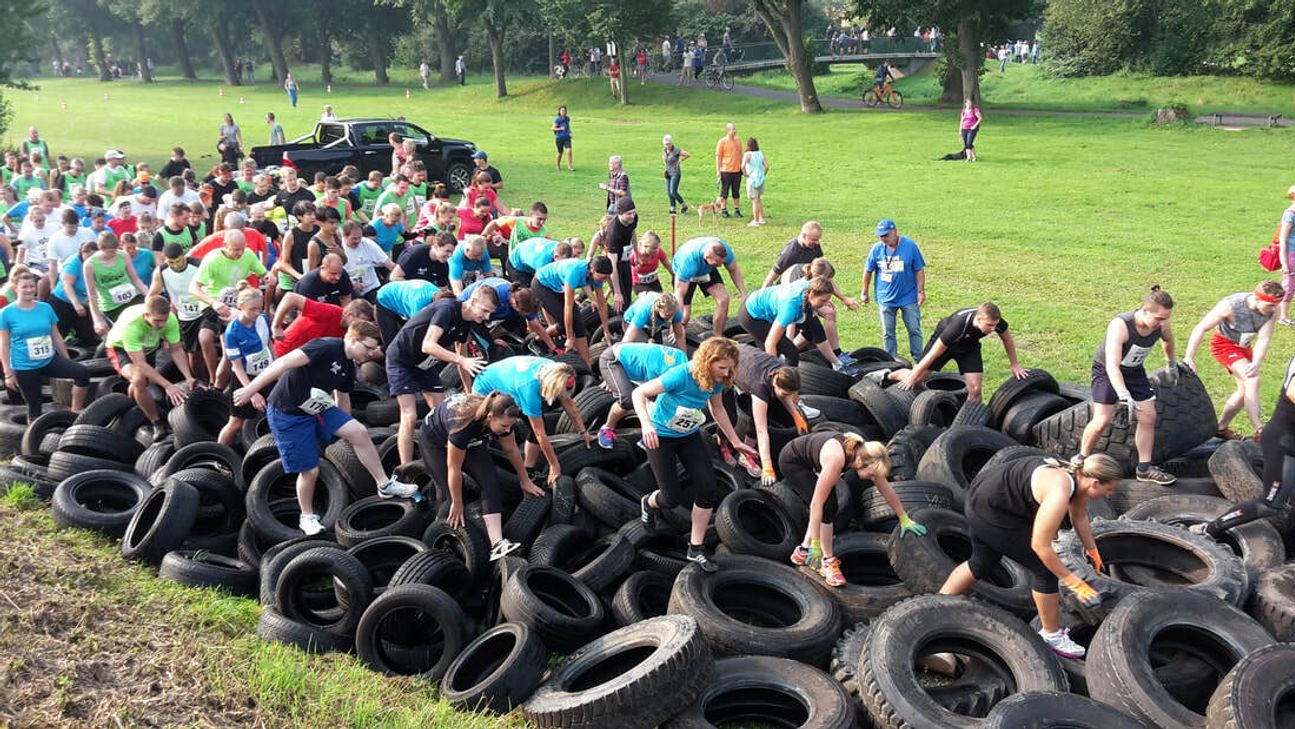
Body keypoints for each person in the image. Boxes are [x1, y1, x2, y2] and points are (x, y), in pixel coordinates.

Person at [234, 322, 418, 536]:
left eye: (373, 350)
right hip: (288, 413)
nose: (370, 354)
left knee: (358, 432)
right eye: (367, 348)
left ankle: (384, 484)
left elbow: (342, 399)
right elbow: (282, 363)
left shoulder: (350, 366)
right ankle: (306, 516)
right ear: (353, 339)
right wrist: (250, 389)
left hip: (318, 407)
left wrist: (343, 429)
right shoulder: (325, 347)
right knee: (310, 470)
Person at [939, 454, 1122, 658]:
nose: (1110, 493)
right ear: (1096, 483)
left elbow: (1078, 516)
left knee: (982, 563)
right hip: (992, 511)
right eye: (1110, 489)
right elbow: (1040, 546)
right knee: (1045, 570)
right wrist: (1074, 582)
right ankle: (1051, 635)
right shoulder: (1059, 492)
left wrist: (1093, 551)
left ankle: (936, 604)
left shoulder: (1076, 476)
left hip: (983, 496)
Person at [635, 337, 756, 572]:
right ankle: (648, 502)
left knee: (708, 487)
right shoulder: (681, 375)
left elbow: (717, 408)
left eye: (730, 368)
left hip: (689, 435)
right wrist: (646, 424)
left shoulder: (718, 380)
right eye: (721, 367)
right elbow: (639, 393)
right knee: (671, 499)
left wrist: (735, 441)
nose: (726, 372)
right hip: (660, 436)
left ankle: (695, 548)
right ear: (707, 361)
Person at [785, 432, 925, 586]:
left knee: (830, 506)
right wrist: (816, 543)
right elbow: (816, 504)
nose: (872, 478)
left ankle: (802, 551)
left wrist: (903, 517)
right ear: (859, 462)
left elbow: (886, 490)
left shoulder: (867, 453)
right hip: (793, 461)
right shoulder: (836, 461)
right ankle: (827, 561)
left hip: (811, 456)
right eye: (871, 474)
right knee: (828, 506)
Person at [1075, 287, 1178, 485]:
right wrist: (1123, 394)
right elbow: (1112, 365)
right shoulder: (1120, 325)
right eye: (1159, 318)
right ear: (1145, 311)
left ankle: (1145, 468)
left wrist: (1171, 363)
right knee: (1102, 419)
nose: (1163, 323)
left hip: (1134, 370)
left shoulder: (1160, 325)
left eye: (1166, 318)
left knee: (1148, 416)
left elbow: (1169, 340)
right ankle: (1081, 458)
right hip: (1107, 371)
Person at [386, 286, 498, 465]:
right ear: (473, 301)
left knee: (441, 412)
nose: (487, 317)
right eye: (485, 311)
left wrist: (470, 391)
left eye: (490, 313)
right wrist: (461, 360)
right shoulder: (447, 309)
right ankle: (405, 469)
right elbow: (428, 345)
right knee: (410, 415)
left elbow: (463, 360)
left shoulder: (467, 322)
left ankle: (442, 453)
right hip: (402, 358)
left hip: (424, 363)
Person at [422, 392, 539, 559]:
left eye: (510, 426)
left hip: (472, 438)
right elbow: (454, 468)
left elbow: (512, 450)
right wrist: (457, 502)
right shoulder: (462, 427)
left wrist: (525, 480)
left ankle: (497, 544)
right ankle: (436, 534)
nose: (507, 430)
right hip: (435, 442)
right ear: (490, 417)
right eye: (504, 426)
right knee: (454, 497)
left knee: (490, 482)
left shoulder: (499, 419)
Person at [868, 303, 1028, 402]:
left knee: (976, 389)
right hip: (945, 345)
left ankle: (968, 423)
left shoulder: (996, 322)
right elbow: (933, 354)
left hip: (969, 346)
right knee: (917, 379)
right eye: (989, 326)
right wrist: (914, 375)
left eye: (995, 325)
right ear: (978, 319)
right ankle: (887, 375)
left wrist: (1015, 365)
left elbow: (1007, 340)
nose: (993, 329)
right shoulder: (957, 327)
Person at [1182, 282, 1282, 440]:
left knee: (1244, 391)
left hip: (1244, 348)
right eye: (1270, 305)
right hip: (1224, 345)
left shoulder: (1273, 311)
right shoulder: (1232, 305)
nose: (1274, 309)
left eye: (1277, 305)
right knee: (1252, 380)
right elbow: (1201, 328)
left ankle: (1221, 428)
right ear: (1257, 298)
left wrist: (1256, 362)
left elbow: (1263, 339)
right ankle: (1259, 430)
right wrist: (1189, 356)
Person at [471, 356, 592, 482]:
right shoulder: (530, 390)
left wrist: (584, 432)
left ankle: (528, 469)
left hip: (510, 383)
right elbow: (539, 433)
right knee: (501, 431)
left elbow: (568, 403)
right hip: (485, 390)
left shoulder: (557, 369)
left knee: (538, 425)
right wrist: (554, 465)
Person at [0, 270, 91, 422]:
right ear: (16, 288)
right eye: (25, 287)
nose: (29, 290)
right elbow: (3, 344)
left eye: (32, 286)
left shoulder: (45, 308)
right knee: (35, 409)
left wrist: (66, 359)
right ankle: (33, 440)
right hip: (25, 366)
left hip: (49, 359)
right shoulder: (6, 313)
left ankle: (76, 412)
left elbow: (56, 336)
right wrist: (8, 373)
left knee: (82, 373)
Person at [104, 296, 198, 440]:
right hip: (119, 347)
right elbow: (140, 364)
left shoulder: (170, 320)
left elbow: (176, 350)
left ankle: (133, 402)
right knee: (138, 379)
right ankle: (157, 423)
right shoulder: (132, 326)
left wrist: (188, 376)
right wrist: (168, 385)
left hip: (148, 346)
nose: (161, 325)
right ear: (146, 315)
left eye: (164, 320)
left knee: (141, 383)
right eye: (157, 321)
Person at [726, 344, 810, 482]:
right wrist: (767, 466)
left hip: (745, 355)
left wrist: (796, 416)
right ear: (775, 383)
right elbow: (761, 431)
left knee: (774, 403)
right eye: (784, 393)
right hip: (729, 366)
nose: (788, 396)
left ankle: (747, 452)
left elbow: (784, 395)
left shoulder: (783, 370)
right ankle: (743, 456)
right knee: (742, 416)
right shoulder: (760, 386)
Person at [596, 341, 689, 447]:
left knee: (657, 400)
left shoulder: (684, 364)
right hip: (614, 360)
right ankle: (607, 428)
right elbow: (646, 395)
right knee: (627, 400)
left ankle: (652, 433)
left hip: (639, 363)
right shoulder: (665, 373)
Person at [740, 275, 843, 368]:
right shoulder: (790, 308)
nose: (825, 304)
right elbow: (770, 343)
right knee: (791, 352)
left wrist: (820, 306)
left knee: (814, 327)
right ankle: (786, 382)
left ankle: (837, 364)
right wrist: (775, 372)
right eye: (823, 301)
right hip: (752, 316)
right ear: (811, 295)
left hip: (765, 301)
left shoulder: (811, 287)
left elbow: (826, 281)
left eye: (827, 300)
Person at [218, 283, 274, 446]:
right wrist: (252, 392)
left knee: (277, 412)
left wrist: (278, 366)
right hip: (245, 378)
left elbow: (269, 343)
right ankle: (219, 453)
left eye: (260, 308)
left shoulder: (263, 318)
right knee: (236, 423)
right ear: (241, 307)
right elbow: (237, 366)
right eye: (253, 309)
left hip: (267, 373)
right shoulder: (232, 332)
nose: (258, 312)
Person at [861, 218, 926, 360]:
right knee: (887, 332)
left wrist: (921, 291)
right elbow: (868, 270)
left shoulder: (910, 246)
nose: (883, 238)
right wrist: (864, 291)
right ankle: (890, 359)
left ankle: (919, 359)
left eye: (886, 235)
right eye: (880, 236)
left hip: (908, 297)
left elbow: (919, 269)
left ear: (895, 232)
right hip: (885, 298)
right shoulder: (876, 248)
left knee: (914, 329)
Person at [531, 256, 612, 366]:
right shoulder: (574, 272)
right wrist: (569, 338)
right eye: (603, 278)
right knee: (565, 325)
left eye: (606, 278)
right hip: (541, 285)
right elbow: (568, 307)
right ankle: (536, 341)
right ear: (592, 269)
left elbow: (602, 304)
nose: (604, 280)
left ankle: (587, 367)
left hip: (557, 286)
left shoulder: (596, 276)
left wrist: (606, 331)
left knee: (579, 326)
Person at [460, 276, 557, 356]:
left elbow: (536, 326)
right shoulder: (498, 294)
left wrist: (553, 348)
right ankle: (476, 344)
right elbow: (474, 315)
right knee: (490, 350)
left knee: (519, 320)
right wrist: (488, 341)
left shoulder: (525, 299)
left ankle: (493, 336)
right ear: (514, 302)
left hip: (490, 312)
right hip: (473, 312)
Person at [672, 236, 748, 337]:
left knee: (723, 299)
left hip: (706, 270)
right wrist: (676, 325)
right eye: (717, 263)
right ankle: (674, 334)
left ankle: (717, 337)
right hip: (687, 275)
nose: (720, 266)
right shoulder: (688, 261)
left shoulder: (725, 251)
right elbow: (679, 295)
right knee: (685, 316)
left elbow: (733, 269)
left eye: (722, 262)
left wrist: (743, 293)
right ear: (707, 257)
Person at [85, 231, 149, 337]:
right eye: (110, 252)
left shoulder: (122, 255)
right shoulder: (90, 265)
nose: (113, 254)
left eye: (115, 250)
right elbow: (91, 293)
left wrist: (148, 295)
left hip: (132, 297)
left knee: (143, 328)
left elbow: (135, 279)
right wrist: (97, 319)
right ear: (101, 248)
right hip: (111, 305)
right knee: (124, 335)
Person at [271, 293, 374, 357]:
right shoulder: (329, 312)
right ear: (350, 315)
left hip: (306, 358)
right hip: (285, 351)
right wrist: (276, 326)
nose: (361, 326)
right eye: (361, 321)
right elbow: (291, 297)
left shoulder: (348, 332)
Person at [48, 239, 99, 345]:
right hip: (64, 300)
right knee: (59, 333)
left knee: (88, 336)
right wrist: (76, 304)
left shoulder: (97, 262)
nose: (90, 259)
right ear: (81, 252)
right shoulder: (74, 262)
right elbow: (67, 284)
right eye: (87, 254)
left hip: (84, 301)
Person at [598, 198, 637, 312]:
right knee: (621, 300)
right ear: (620, 214)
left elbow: (632, 232)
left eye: (634, 212)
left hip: (625, 260)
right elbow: (612, 265)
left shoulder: (632, 220)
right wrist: (617, 292)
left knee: (628, 298)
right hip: (614, 264)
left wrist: (636, 253)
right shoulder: (613, 233)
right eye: (629, 214)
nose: (632, 216)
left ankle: (624, 320)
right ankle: (617, 323)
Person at [338, 221, 394, 301]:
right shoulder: (339, 247)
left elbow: (389, 263)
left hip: (371, 287)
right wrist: (351, 284)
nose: (357, 241)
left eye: (359, 238)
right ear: (345, 236)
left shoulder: (368, 244)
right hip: (350, 289)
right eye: (354, 238)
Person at [391, 232, 455, 287]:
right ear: (436, 246)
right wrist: (417, 289)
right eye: (447, 251)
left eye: (452, 252)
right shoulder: (415, 254)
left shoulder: (444, 265)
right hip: (398, 291)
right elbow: (394, 277)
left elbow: (443, 289)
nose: (450, 255)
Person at [628, 232, 672, 296]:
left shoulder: (658, 252)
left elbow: (668, 265)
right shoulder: (634, 255)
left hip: (654, 282)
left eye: (657, 248)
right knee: (647, 299)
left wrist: (675, 276)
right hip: (639, 284)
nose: (656, 250)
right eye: (654, 248)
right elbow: (623, 271)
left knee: (659, 300)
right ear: (645, 246)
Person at [714, 123, 743, 218]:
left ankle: (737, 210)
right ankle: (724, 210)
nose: (734, 131)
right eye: (732, 129)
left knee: (736, 191)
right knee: (724, 192)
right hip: (726, 170)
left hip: (737, 170)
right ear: (727, 130)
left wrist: (742, 167)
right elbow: (718, 157)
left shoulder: (738, 140)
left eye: (735, 129)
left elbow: (740, 154)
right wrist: (718, 171)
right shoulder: (722, 141)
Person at [1276, 185, 1295, 326]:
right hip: (1291, 254)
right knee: (1289, 285)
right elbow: (1283, 239)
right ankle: (1282, 316)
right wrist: (1284, 263)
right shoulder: (1289, 215)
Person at [741, 138, 768, 227]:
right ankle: (762, 218)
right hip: (761, 178)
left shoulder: (747, 155)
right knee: (759, 199)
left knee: (754, 200)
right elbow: (767, 166)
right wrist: (763, 174)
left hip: (752, 179)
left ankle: (755, 220)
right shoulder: (761, 153)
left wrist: (745, 174)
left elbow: (742, 166)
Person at [662, 135, 690, 215]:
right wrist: (665, 165)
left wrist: (680, 160)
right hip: (668, 173)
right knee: (668, 192)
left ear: (671, 143)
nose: (668, 145)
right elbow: (664, 159)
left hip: (675, 173)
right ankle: (672, 207)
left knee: (673, 191)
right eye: (666, 144)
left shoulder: (676, 150)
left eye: (669, 144)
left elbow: (687, 154)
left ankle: (683, 205)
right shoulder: (664, 151)